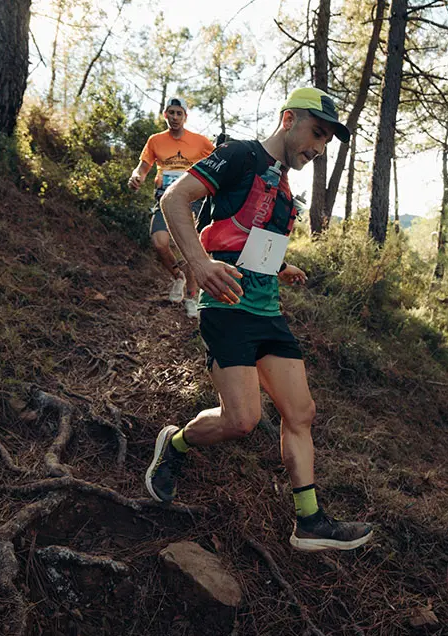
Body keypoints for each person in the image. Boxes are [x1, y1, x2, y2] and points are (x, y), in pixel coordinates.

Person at [143, 88, 372, 552]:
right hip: (227, 307)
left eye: (327, 140)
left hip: (268, 311)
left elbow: (250, 239)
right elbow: (174, 201)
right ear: (289, 120)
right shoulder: (239, 156)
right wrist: (200, 263)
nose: (319, 147)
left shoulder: (286, 190)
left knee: (301, 412)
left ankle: (309, 521)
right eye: (316, 133)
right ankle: (175, 444)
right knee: (242, 420)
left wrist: (280, 267)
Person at [128, 97, 214, 316]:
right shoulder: (155, 141)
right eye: (171, 113)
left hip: (191, 201)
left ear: (185, 116)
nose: (175, 117)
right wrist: (136, 177)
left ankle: (192, 297)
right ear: (165, 114)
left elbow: (217, 163)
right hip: (164, 198)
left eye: (179, 113)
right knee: (159, 242)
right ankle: (178, 277)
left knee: (187, 247)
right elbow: (142, 168)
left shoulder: (201, 142)